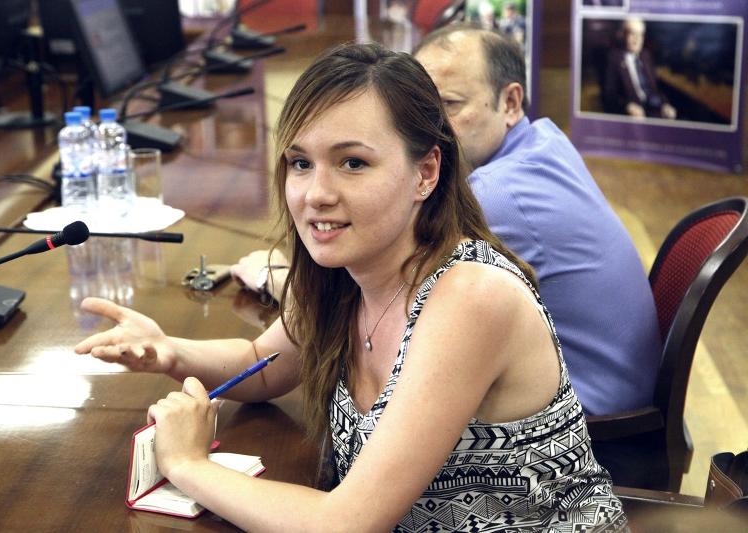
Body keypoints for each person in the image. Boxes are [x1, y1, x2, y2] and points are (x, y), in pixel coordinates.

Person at [75, 42, 626, 531]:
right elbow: (261, 364)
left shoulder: (470, 297)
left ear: (425, 173)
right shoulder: (345, 273)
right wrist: (169, 351)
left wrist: (187, 464)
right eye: (300, 162)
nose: (316, 193)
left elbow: (346, 523)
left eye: (353, 163)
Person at [413, 25, 665, 488]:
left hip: (598, 439)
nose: (428, 128)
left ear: (510, 102)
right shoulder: (544, 139)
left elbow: (398, 300)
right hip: (626, 402)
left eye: (449, 105)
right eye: (419, 107)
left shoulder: (495, 193)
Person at [603, 17, 677, 119]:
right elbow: (609, 95)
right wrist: (627, 106)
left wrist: (665, 104)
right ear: (623, 35)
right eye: (632, 34)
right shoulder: (613, 59)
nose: (637, 40)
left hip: (655, 106)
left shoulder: (646, 55)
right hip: (635, 112)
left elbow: (656, 88)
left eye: (640, 35)